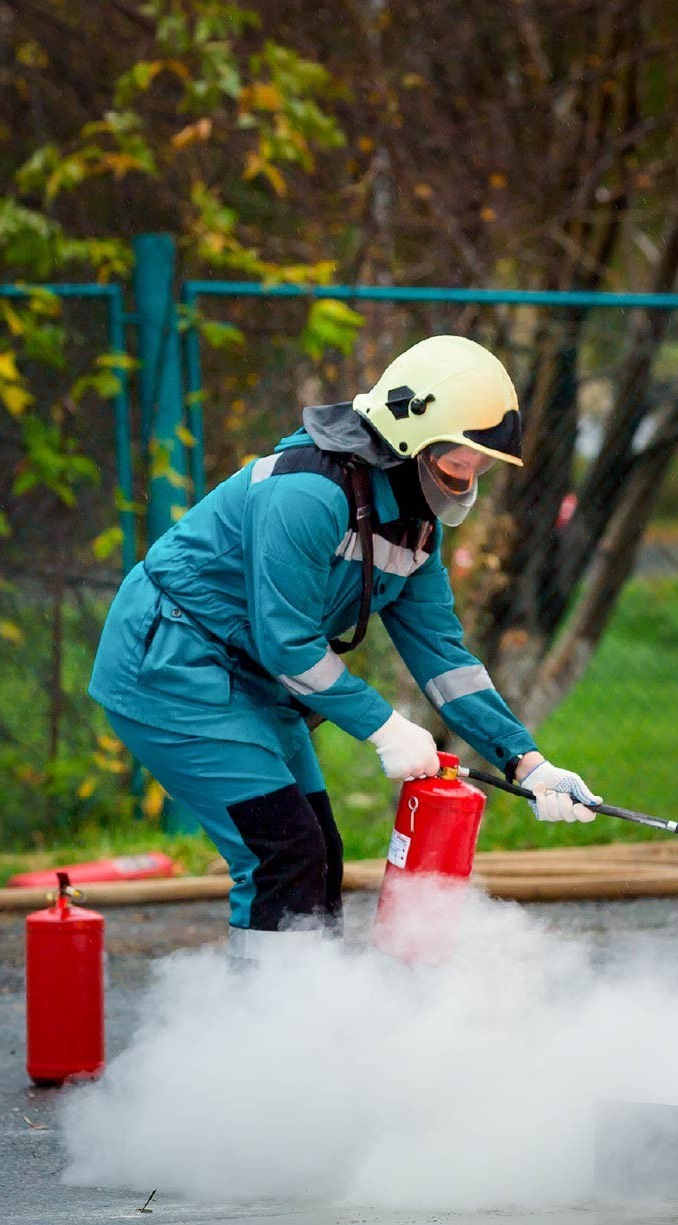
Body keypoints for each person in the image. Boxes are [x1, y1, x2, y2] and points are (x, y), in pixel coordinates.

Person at [89, 335, 598, 960]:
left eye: (480, 466)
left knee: (320, 854)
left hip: (251, 680)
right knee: (282, 855)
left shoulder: (414, 528)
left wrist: (527, 762)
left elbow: (445, 657)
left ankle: (307, 1008)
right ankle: (267, 1015)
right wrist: (386, 727)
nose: (469, 479)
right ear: (410, 438)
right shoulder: (307, 493)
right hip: (171, 668)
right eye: (458, 459)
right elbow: (287, 645)